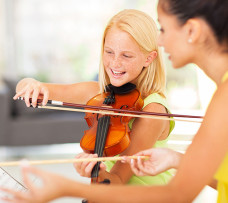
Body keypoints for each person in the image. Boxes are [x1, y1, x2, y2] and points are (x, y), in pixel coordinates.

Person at [1, 0, 228, 202]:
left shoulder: (162, 108)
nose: (159, 39)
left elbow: (176, 194)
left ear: (191, 30)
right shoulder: (221, 94)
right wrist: (30, 85)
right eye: (109, 52)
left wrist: (66, 188)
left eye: (163, 28)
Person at [13, 9, 175, 186]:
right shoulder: (99, 94)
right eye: (109, 52)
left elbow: (118, 180)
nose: (115, 63)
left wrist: (98, 174)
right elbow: (25, 85)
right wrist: (30, 85)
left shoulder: (153, 111)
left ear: (149, 58)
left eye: (126, 55)